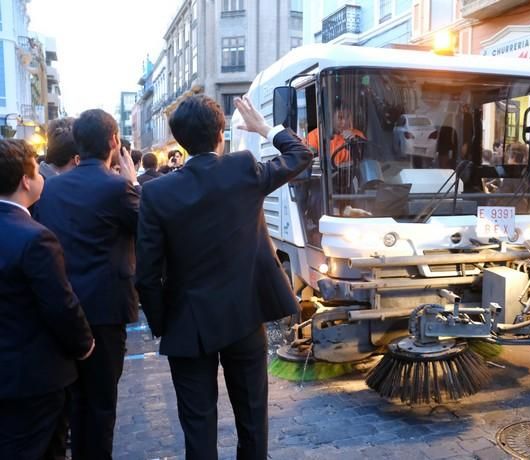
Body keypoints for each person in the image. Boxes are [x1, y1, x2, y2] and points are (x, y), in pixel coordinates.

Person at [136, 94, 312, 459]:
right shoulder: (242, 168)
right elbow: (301, 155)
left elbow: (147, 274)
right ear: (220, 134)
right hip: (245, 316)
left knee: (197, 427)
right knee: (252, 418)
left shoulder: (156, 192)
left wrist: (161, 324)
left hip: (187, 323)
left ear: (180, 140)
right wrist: (265, 128)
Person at [34, 109, 140, 459]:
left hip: (62, 308)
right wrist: (134, 182)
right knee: (101, 404)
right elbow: (148, 229)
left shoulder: (50, 190)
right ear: (113, 141)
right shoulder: (119, 187)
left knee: (73, 400)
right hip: (106, 311)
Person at [0, 139, 94, 459]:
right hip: (33, 377)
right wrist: (84, 344)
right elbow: (59, 304)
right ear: (25, 181)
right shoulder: (34, 237)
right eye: (37, 173)